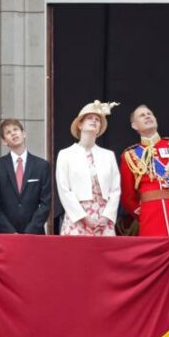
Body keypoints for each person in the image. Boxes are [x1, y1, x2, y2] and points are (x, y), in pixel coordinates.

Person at [119, 105, 169, 237]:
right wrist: (143, 213)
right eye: (142, 115)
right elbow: (128, 197)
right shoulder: (130, 155)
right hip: (151, 218)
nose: (147, 116)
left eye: (149, 113)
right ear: (134, 125)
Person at [55, 100, 121, 236]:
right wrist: (83, 217)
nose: (94, 121)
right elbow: (64, 190)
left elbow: (115, 190)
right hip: (77, 216)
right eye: (89, 118)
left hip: (104, 216)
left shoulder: (108, 155)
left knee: (105, 256)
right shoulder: (66, 154)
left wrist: (106, 217)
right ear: (80, 124)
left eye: (97, 119)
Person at [0, 119, 51, 234]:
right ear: (4, 141)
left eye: (16, 129)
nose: (13, 133)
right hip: (4, 234)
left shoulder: (41, 166)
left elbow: (45, 203)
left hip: (34, 234)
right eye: (8, 132)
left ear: (24, 134)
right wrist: (12, 233)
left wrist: (30, 232)